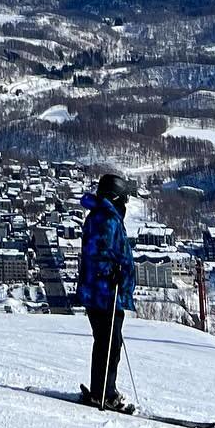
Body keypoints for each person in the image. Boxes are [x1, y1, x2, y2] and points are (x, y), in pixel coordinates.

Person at [76, 171, 137, 412]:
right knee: (109, 343)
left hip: (102, 290)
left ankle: (101, 389)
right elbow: (97, 252)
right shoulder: (106, 219)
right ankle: (104, 393)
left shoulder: (101, 216)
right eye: (124, 199)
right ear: (116, 197)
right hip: (104, 292)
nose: (125, 205)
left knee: (107, 342)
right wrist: (113, 272)